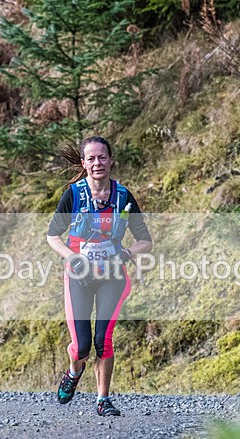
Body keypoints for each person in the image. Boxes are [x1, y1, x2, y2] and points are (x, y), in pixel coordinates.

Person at [46, 136, 153, 416]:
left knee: (103, 340)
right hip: (79, 277)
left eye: (102, 157)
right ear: (83, 163)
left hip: (112, 277)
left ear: (111, 160)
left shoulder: (123, 197)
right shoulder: (73, 194)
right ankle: (74, 370)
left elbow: (146, 240)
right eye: (91, 159)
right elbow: (52, 236)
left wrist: (127, 253)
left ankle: (102, 400)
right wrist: (71, 256)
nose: (97, 163)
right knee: (81, 347)